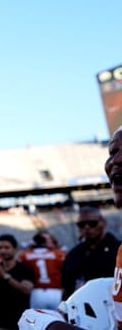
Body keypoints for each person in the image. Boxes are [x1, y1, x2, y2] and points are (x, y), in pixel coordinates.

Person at [19, 125, 122, 329]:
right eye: (113, 152)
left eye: (92, 223)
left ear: (103, 224)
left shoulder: (114, 246)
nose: (116, 160)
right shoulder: (76, 254)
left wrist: (52, 327)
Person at [60, 205, 120, 300]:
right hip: (79, 308)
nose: (87, 227)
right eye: (81, 224)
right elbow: (66, 287)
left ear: (103, 223)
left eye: (92, 223)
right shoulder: (73, 254)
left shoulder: (118, 250)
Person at [0, 233, 34, 330]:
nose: (3, 251)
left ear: (15, 249)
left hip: (20, 322)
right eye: (0, 248)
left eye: (7, 247)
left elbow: (26, 290)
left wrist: (4, 275)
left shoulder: (24, 269)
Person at [18, 231, 66, 310]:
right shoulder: (59, 254)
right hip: (56, 291)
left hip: (36, 292)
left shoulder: (24, 255)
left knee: (38, 320)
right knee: (58, 319)